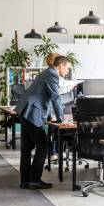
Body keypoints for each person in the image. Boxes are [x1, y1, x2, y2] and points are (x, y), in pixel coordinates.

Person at [16, 55, 73, 190]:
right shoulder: (52, 75)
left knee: (27, 147)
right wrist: (61, 120)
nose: (67, 71)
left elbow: (43, 97)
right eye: (67, 68)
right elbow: (54, 97)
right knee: (43, 145)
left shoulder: (47, 73)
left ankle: (25, 181)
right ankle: (34, 180)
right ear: (61, 66)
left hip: (26, 111)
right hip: (31, 112)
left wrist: (49, 117)